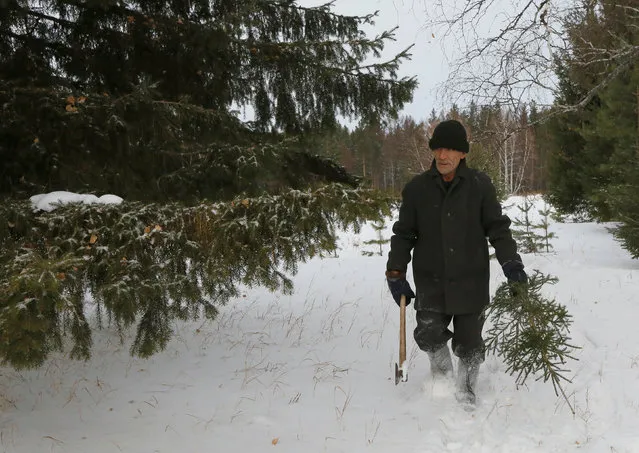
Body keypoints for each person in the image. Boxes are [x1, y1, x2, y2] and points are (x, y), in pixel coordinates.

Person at [385, 119, 527, 405]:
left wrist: (512, 265)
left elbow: (498, 229)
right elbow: (403, 234)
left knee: (470, 341)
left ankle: (466, 387)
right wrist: (396, 271)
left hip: (470, 280)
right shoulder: (416, 189)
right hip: (431, 280)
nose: (443, 155)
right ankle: (442, 377)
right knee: (428, 331)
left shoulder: (479, 186)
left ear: (463, 153)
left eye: (450, 149)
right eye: (438, 148)